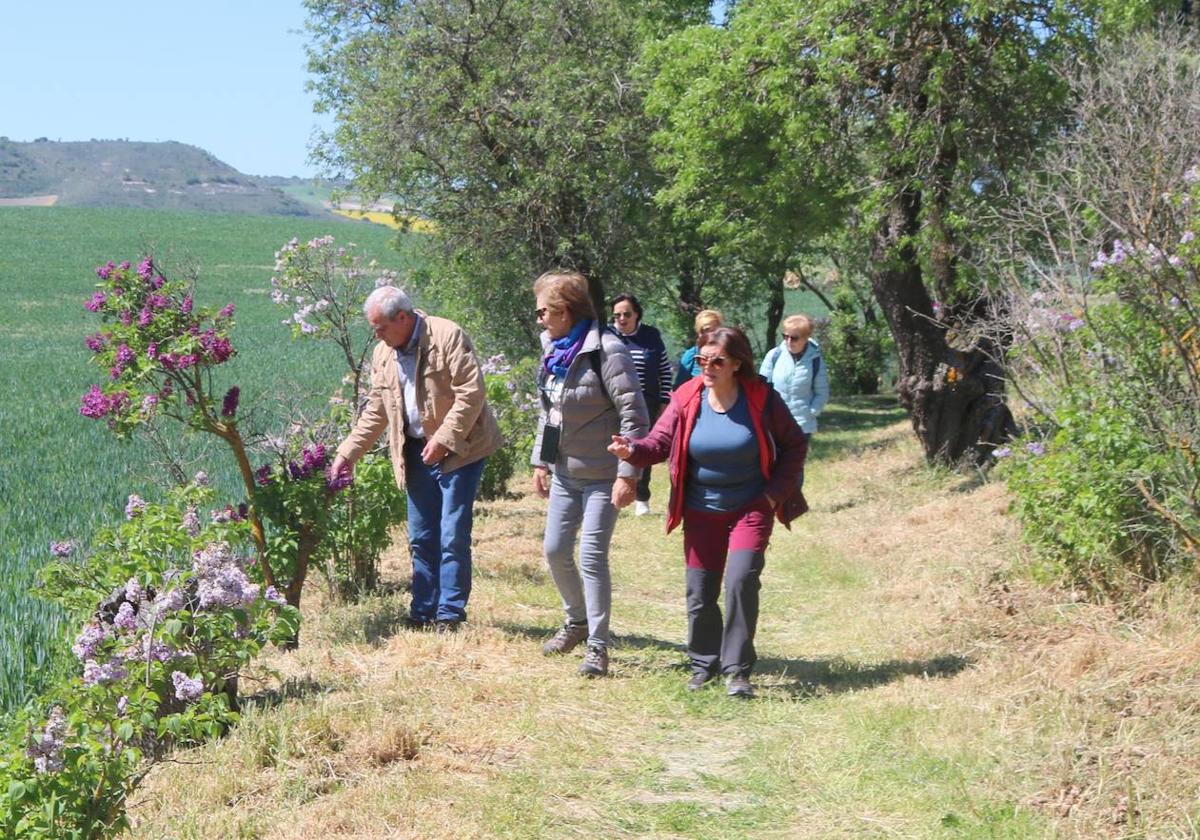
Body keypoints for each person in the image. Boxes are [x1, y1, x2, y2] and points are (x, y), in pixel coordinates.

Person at [608, 326, 807, 698]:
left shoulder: (761, 398)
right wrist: (631, 450)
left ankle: (737, 670)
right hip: (700, 510)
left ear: (736, 364)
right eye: (702, 360)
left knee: (741, 581)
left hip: (751, 506)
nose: (707, 367)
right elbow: (659, 443)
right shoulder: (687, 396)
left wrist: (773, 496)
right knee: (700, 593)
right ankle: (703, 663)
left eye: (717, 361)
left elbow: (794, 445)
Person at [330, 286, 502, 633]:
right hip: (415, 451)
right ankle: (423, 610)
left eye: (380, 327)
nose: (376, 334)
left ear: (403, 318)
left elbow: (472, 393)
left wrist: (443, 439)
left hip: (461, 447)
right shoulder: (383, 354)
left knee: (452, 533)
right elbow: (376, 411)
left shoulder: (447, 335)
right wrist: (347, 453)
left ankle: (449, 613)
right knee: (422, 536)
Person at [532, 271, 649, 677]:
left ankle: (598, 646)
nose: (539, 319)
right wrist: (540, 460)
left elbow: (635, 416)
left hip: (602, 474)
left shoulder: (609, 351)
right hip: (565, 471)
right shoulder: (554, 351)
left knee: (591, 556)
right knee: (554, 550)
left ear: (565, 311)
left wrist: (627, 474)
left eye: (543, 310)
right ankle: (576, 623)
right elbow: (550, 411)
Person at [607, 293, 672, 516]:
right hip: (613, 405)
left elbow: (665, 371)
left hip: (646, 404)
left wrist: (665, 402)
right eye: (617, 315)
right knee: (613, 448)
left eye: (627, 314)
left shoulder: (651, 336)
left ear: (637, 315)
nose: (622, 319)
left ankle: (641, 496)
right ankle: (611, 492)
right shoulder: (607, 337)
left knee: (642, 450)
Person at [760, 314, 829, 488]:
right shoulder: (774, 355)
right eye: (785, 336)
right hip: (774, 423)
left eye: (795, 337)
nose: (789, 341)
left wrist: (810, 412)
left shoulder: (815, 360)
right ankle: (773, 502)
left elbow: (821, 392)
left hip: (802, 424)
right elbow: (761, 388)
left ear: (806, 338)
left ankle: (793, 504)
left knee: (795, 466)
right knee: (772, 462)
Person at [672, 309, 724, 390]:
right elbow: (679, 388)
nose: (710, 335)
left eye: (714, 330)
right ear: (698, 333)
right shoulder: (691, 355)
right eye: (705, 331)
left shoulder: (731, 353)